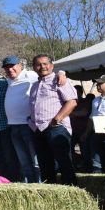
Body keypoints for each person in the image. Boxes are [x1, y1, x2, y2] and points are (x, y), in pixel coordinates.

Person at [29, 55, 77, 185]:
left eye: (45, 63)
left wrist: (58, 118)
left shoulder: (59, 80)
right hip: (38, 130)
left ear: (52, 66)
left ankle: (72, 193)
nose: (42, 67)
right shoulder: (34, 85)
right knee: (45, 166)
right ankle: (50, 196)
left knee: (64, 164)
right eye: (38, 64)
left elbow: (71, 102)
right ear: (34, 67)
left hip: (56, 128)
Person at [70, 85, 93, 171]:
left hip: (83, 130)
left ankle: (87, 168)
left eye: (75, 92)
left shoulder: (85, 102)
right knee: (69, 150)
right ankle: (74, 166)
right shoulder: (69, 102)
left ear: (80, 93)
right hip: (71, 130)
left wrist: (69, 113)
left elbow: (84, 112)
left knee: (85, 150)